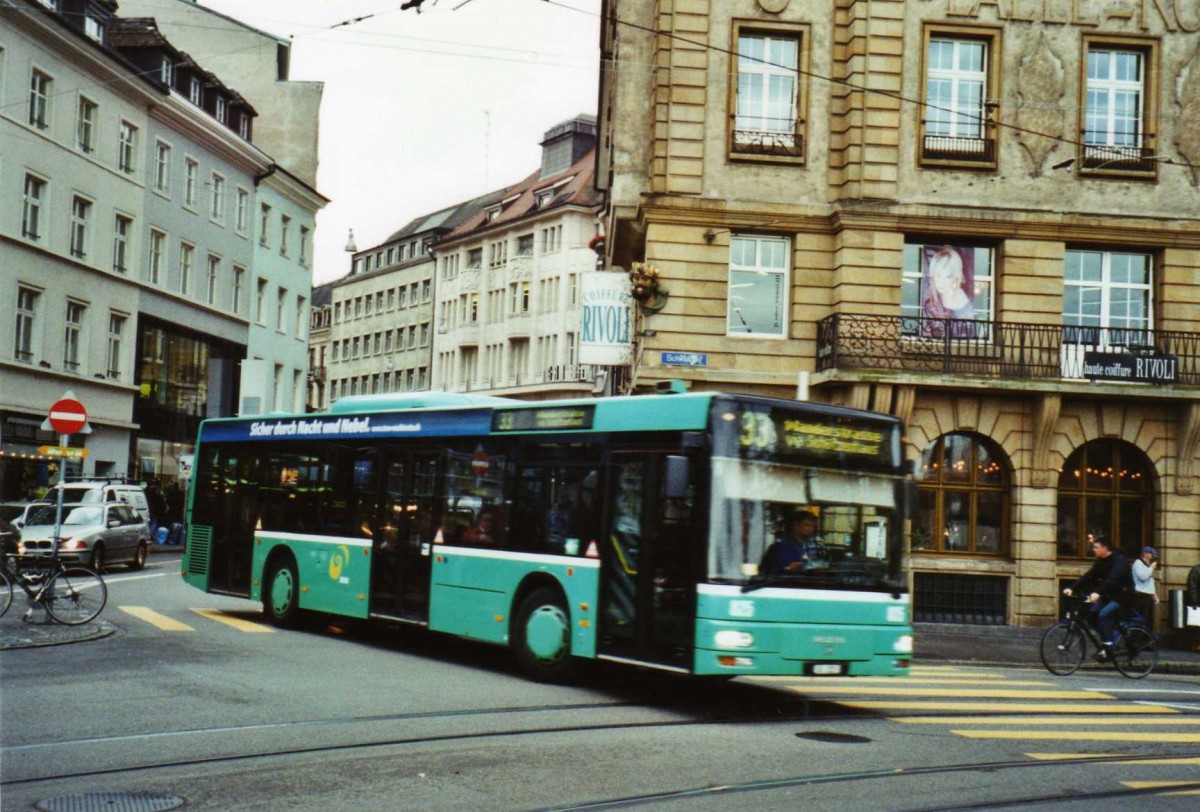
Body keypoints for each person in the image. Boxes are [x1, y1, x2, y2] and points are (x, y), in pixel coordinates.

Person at [1062, 535, 1135, 657]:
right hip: (1108, 595)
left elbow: (1112, 579)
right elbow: (1089, 575)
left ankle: (1108, 645)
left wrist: (1098, 593)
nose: (1093, 550)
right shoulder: (1101, 561)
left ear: (1105, 548)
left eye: (1096, 547)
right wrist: (1072, 588)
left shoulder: (1119, 560)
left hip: (1123, 596)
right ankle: (1108, 640)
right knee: (1091, 616)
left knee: (1103, 614)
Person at [761, 510, 826, 575]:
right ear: (795, 526)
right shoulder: (783, 547)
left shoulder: (807, 545)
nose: (811, 529)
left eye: (813, 526)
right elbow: (788, 568)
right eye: (806, 525)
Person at [923, 247, 975, 321]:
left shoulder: (967, 305)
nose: (941, 282)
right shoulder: (930, 305)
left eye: (948, 276)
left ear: (956, 277)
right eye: (938, 276)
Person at [1131, 545, 1158, 626]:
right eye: (1151, 554)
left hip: (1146, 595)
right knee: (1141, 617)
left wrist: (1153, 594)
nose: (1152, 557)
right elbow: (1143, 577)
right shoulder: (1138, 563)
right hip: (1140, 594)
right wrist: (1151, 568)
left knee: (1147, 618)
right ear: (1145, 554)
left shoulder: (1146, 565)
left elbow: (1149, 581)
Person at [1187, 561, 1200, 652]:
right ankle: (1197, 645)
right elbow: (1192, 586)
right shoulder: (1196, 570)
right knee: (1197, 625)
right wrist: (1194, 601)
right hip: (1198, 602)